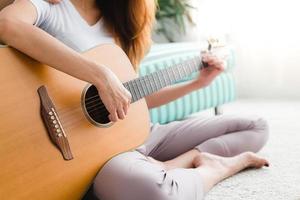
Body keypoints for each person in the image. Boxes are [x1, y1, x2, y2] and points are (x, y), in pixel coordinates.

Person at [0, 0, 269, 199]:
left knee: (256, 126)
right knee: (154, 192)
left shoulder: (120, 28)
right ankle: (210, 170)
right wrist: (100, 74)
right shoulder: (50, 5)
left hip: (128, 139)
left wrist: (196, 84)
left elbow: (129, 100)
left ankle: (177, 163)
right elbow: (7, 24)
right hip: (97, 160)